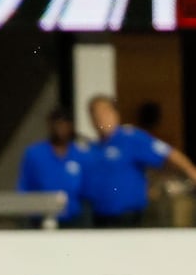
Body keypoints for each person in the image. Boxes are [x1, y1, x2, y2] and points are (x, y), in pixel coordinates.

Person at [83, 94, 196, 228]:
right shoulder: (92, 148)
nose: (100, 118)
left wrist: (192, 172)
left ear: (115, 114)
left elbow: (168, 153)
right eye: (95, 113)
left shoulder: (131, 138)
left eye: (104, 112)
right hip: (98, 216)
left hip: (128, 217)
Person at [16, 107, 90, 227]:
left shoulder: (81, 154)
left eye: (64, 124)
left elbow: (87, 190)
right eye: (57, 124)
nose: (61, 128)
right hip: (40, 219)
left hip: (74, 220)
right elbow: (24, 187)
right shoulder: (35, 153)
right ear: (50, 125)